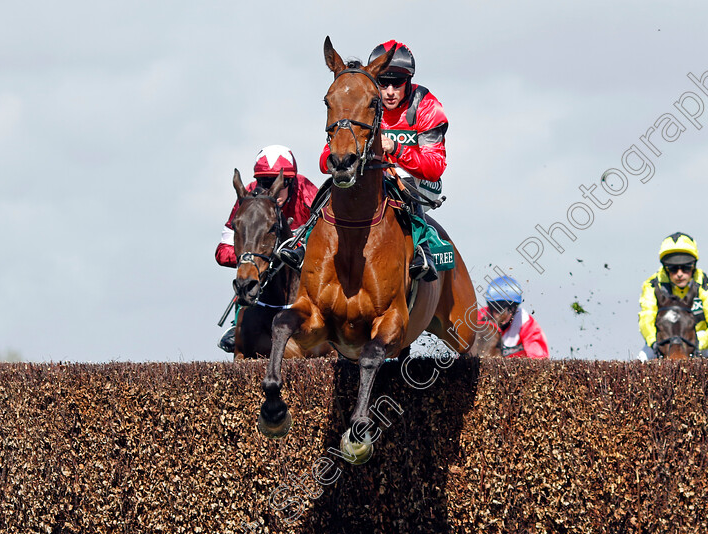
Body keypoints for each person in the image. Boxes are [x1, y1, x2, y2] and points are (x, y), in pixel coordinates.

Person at [282, 40, 449, 282]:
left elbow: (434, 167)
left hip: (419, 180)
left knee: (403, 182)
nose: (390, 91)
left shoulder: (427, 106)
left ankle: (422, 251)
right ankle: (303, 242)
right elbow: (323, 161)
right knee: (334, 185)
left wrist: (397, 149)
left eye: (397, 83)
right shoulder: (363, 101)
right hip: (372, 174)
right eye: (383, 83)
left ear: (409, 81)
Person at [216, 145, 319, 353]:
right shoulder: (248, 199)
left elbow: (330, 236)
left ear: (290, 181)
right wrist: (254, 256)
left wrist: (300, 250)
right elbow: (222, 251)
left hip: (303, 265)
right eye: (265, 182)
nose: (272, 188)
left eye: (281, 183)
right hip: (265, 267)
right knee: (248, 274)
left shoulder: (307, 192)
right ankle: (238, 324)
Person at [637, 232, 708, 360]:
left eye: (686, 267)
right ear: (665, 268)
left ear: (694, 266)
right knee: (642, 358)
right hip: (664, 339)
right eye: (673, 268)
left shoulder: (705, 285)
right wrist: (653, 342)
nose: (680, 274)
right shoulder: (652, 285)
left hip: (696, 338)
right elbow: (646, 318)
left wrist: (701, 342)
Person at [477, 276, 549, 358]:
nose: (503, 314)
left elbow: (539, 358)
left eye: (509, 308)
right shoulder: (477, 318)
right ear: (490, 306)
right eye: (498, 307)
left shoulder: (526, 323)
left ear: (515, 308)